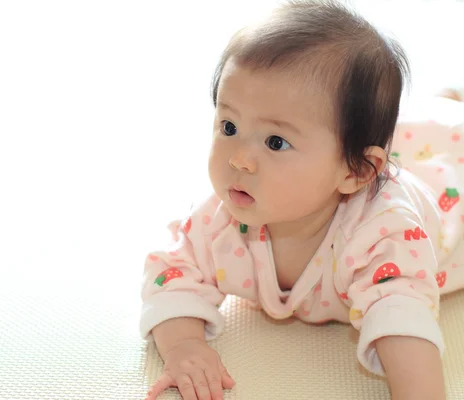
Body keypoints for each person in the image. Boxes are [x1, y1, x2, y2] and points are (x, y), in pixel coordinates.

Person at [139, 1, 464, 399]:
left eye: (276, 142)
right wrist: (184, 345)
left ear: (355, 173)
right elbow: (171, 271)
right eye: (229, 125)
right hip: (384, 149)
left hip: (450, 191)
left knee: (445, 143)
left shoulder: (385, 236)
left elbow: (403, 317)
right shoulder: (221, 218)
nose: (239, 158)